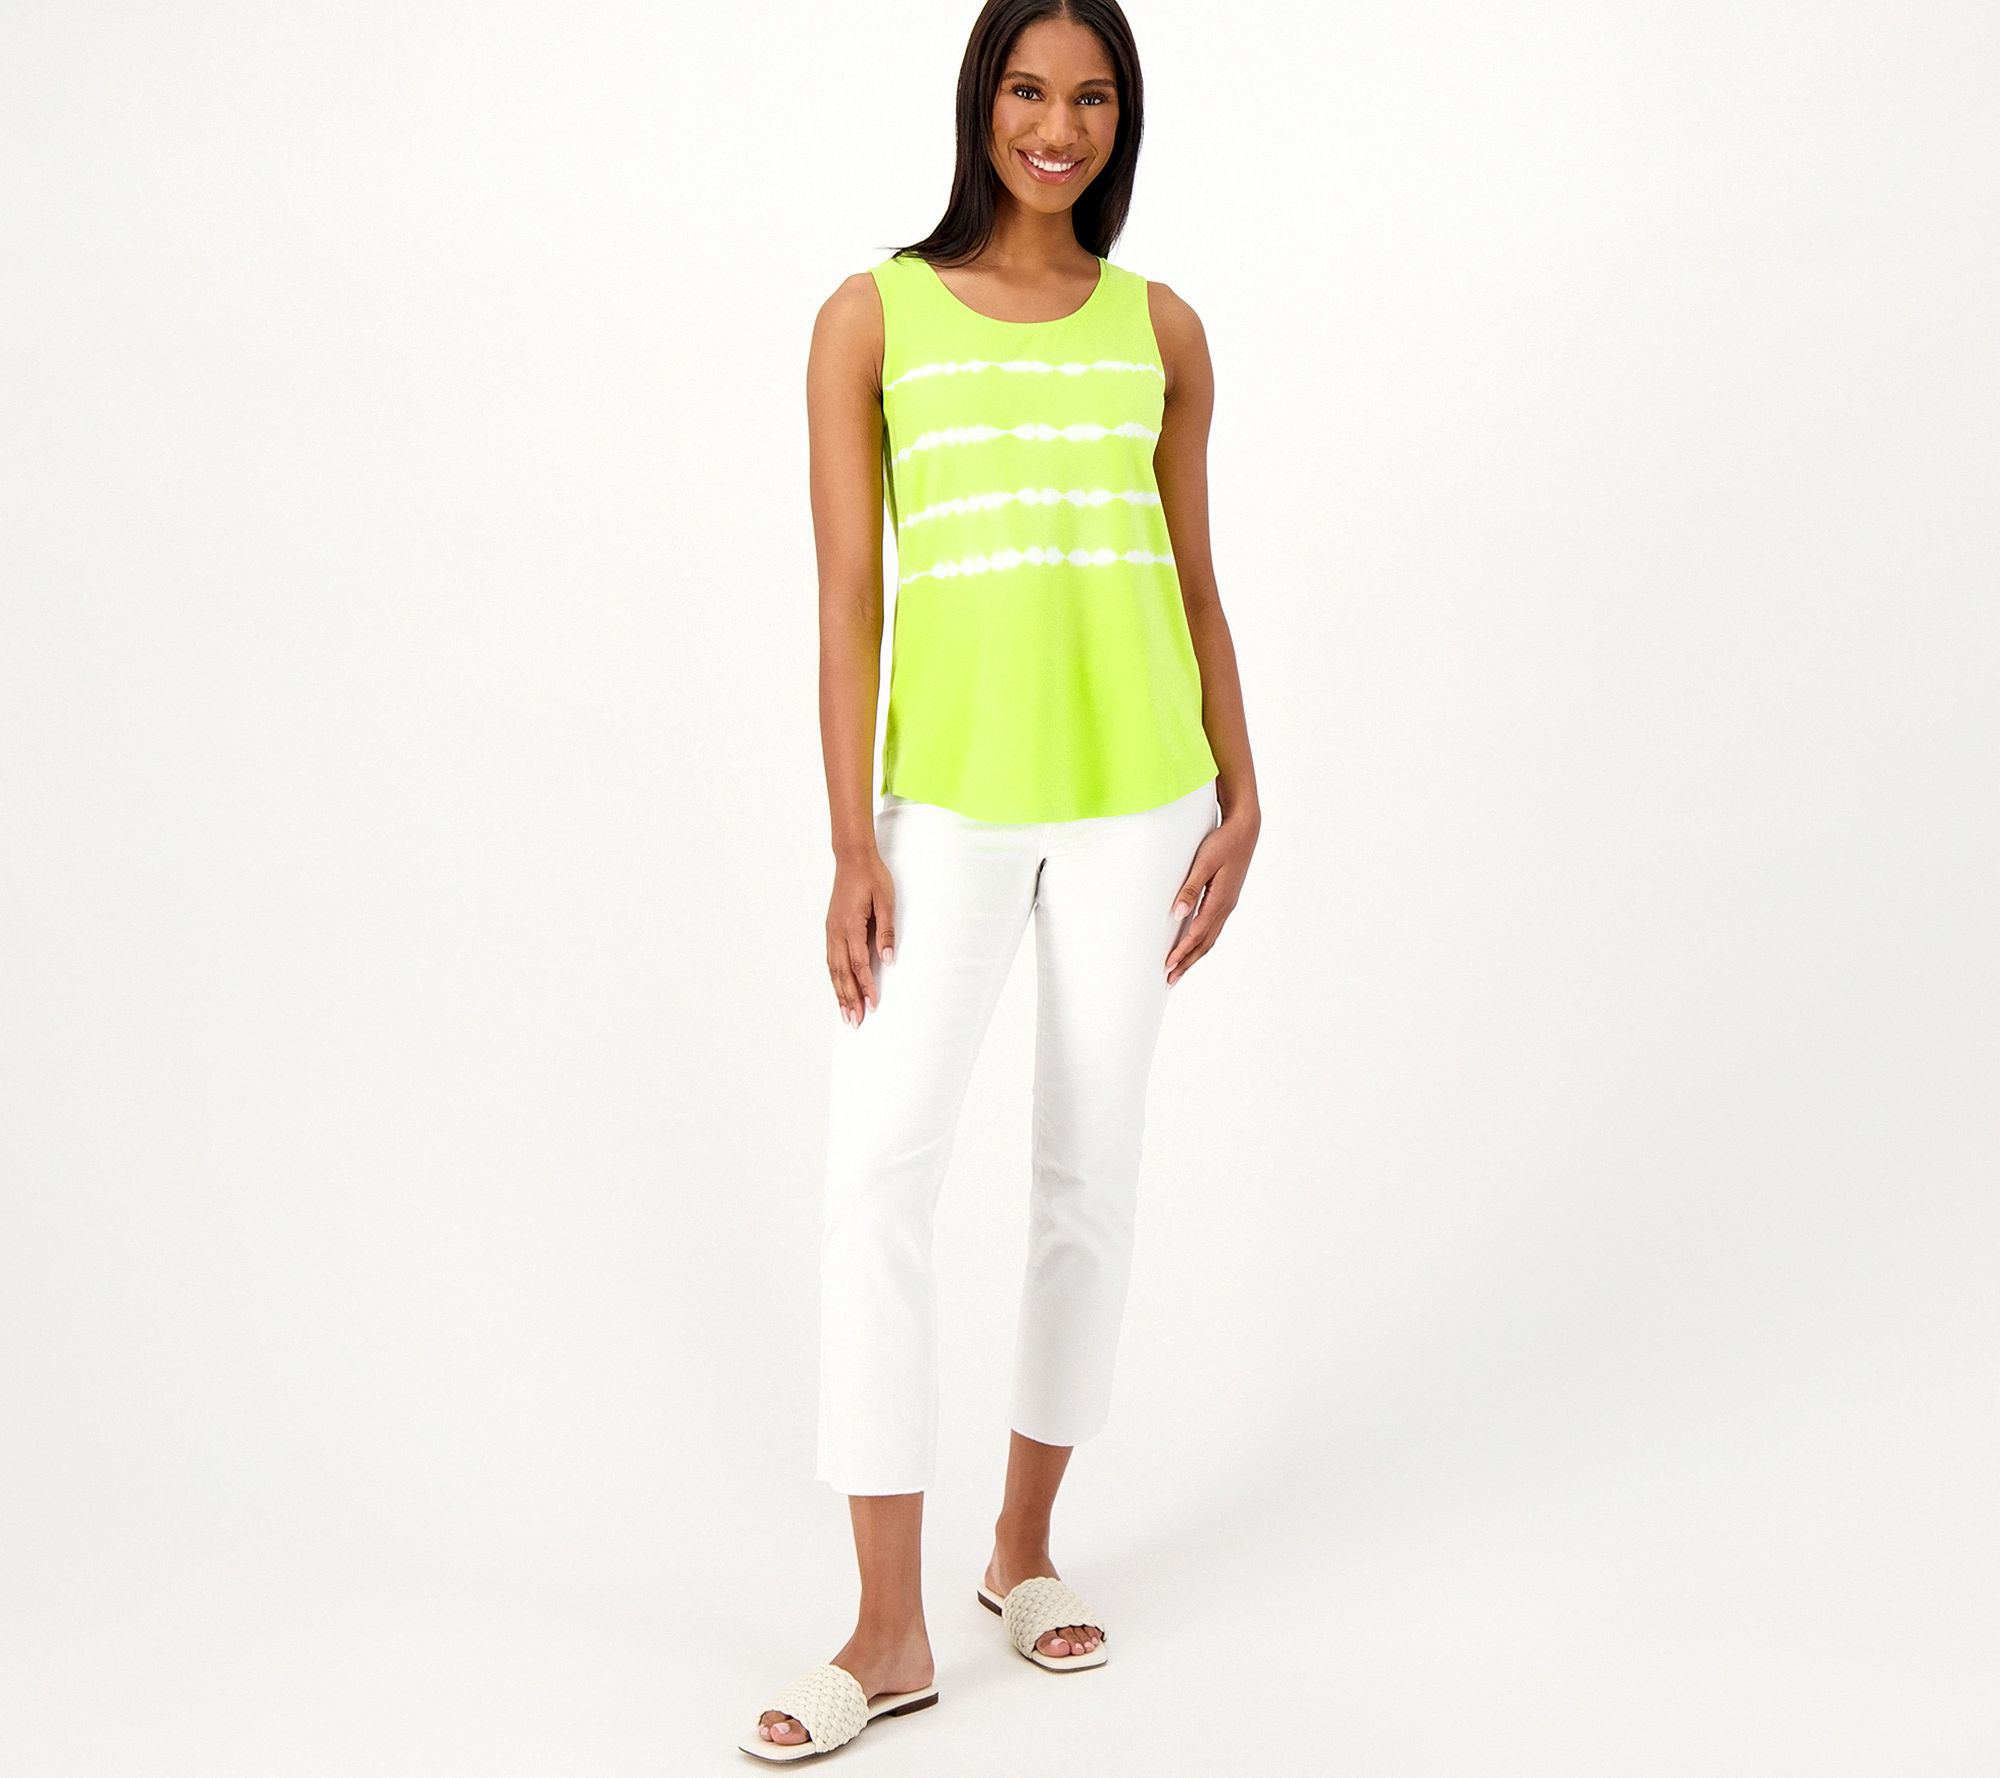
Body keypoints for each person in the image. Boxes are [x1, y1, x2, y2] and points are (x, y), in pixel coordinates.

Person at [741, 0, 1261, 1758]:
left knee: (1086, 1179)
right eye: (1031, 90)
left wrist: (1243, 791)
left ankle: (1020, 1549)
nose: (1060, 126)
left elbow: (1195, 580)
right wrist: (849, 842)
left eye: (1093, 97)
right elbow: (848, 605)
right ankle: (884, 1626)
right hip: (944, 810)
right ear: (982, 103)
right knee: (877, 1180)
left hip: (1139, 803)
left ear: (1123, 119)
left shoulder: (1160, 328)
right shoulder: (869, 317)